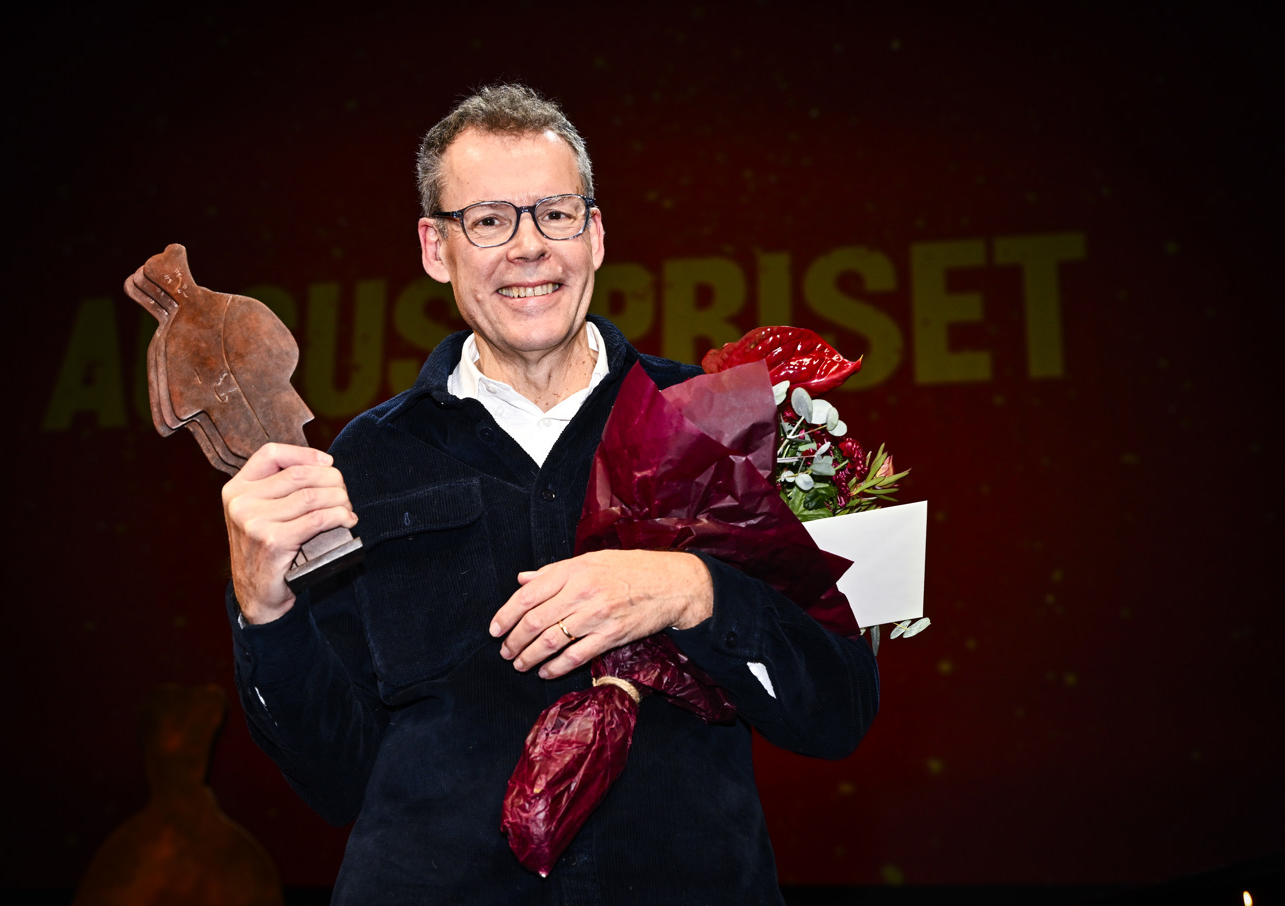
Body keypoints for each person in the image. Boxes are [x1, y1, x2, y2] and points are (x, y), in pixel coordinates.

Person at [222, 84, 879, 905]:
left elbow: (839, 709)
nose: (529, 247)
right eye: (489, 220)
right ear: (436, 248)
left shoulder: (720, 419)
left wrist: (694, 590)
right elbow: (332, 776)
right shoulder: (368, 460)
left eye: (556, 214)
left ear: (595, 234)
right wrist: (263, 612)